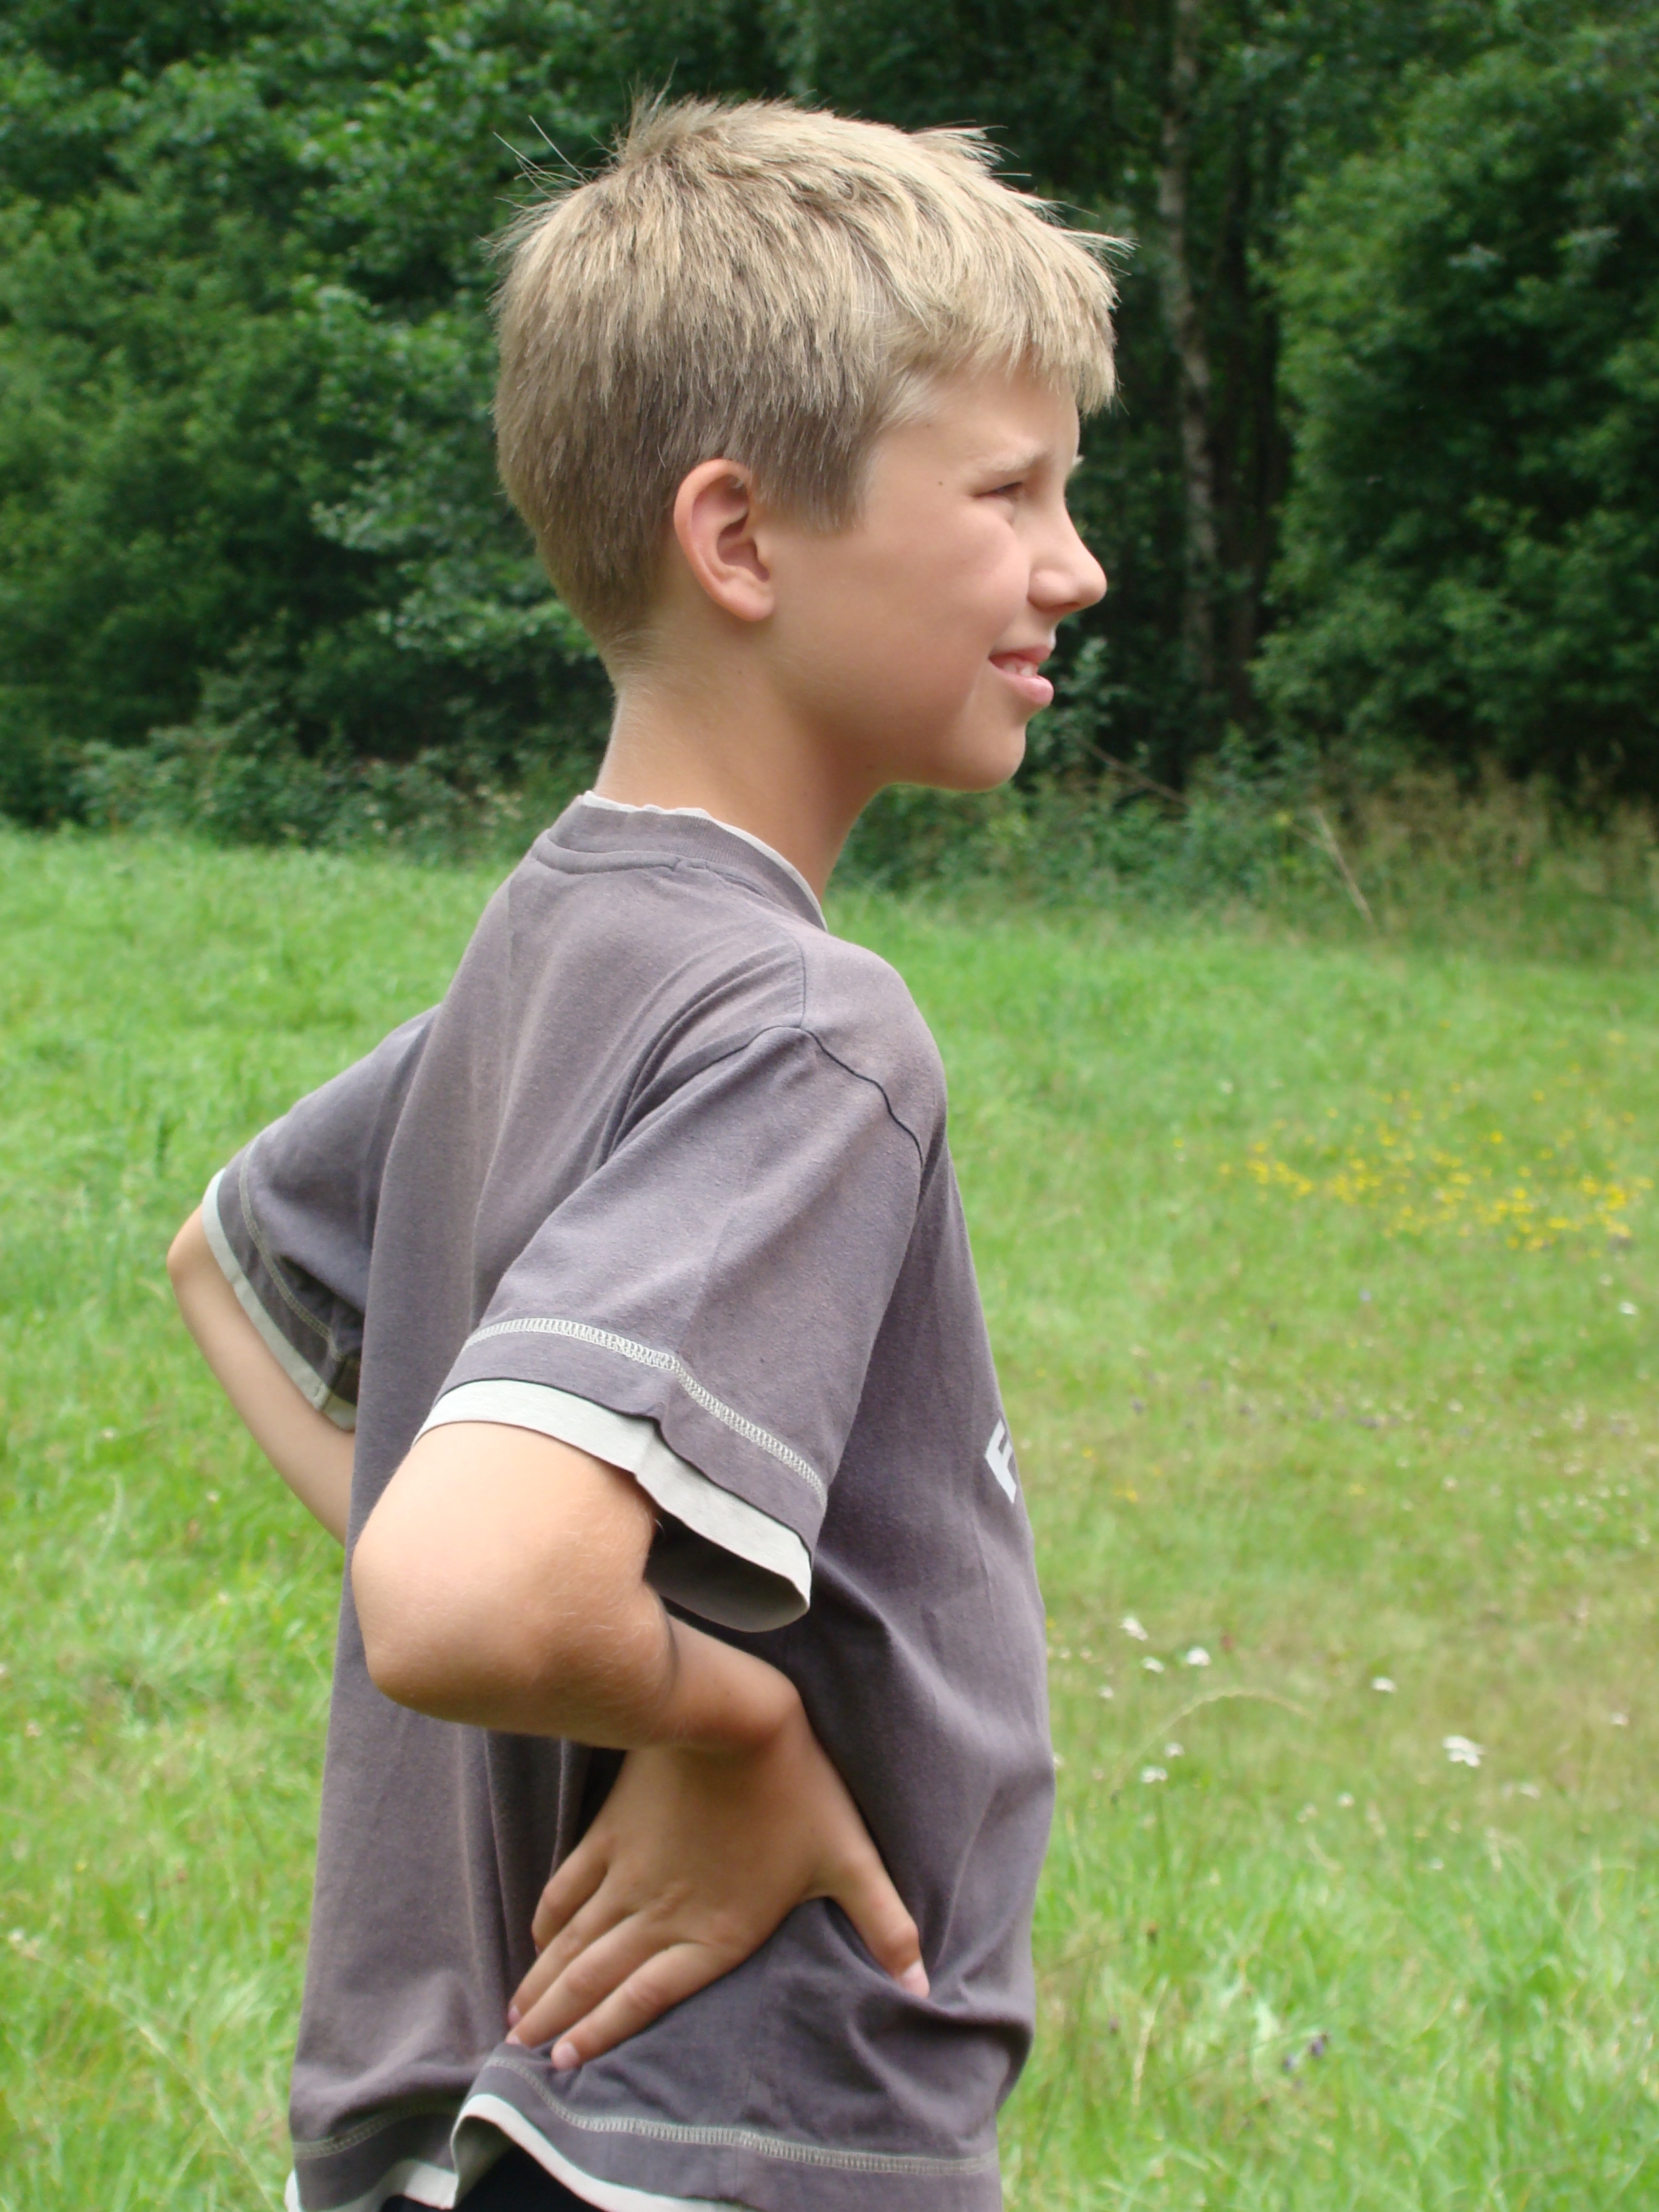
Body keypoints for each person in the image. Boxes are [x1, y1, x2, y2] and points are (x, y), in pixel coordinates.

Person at [167, 96, 1114, 2212]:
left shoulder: (551, 952)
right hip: (708, 2124)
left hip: (471, 2100)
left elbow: (231, 1267)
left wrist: (598, 1676)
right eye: (1010, 491)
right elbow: (461, 1588)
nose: (1077, 563)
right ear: (741, 540)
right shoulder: (803, 1026)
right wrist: (728, 1728)